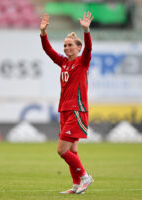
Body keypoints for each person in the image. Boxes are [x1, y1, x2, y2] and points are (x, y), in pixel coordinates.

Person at [40, 11, 94, 194]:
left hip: (77, 110)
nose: (66, 48)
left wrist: (86, 31)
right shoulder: (64, 63)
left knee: (62, 150)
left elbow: (89, 50)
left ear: (78, 48)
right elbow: (48, 51)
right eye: (64, 45)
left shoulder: (82, 62)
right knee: (72, 151)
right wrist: (43, 34)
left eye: (70, 45)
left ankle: (86, 176)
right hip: (64, 110)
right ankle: (77, 185)